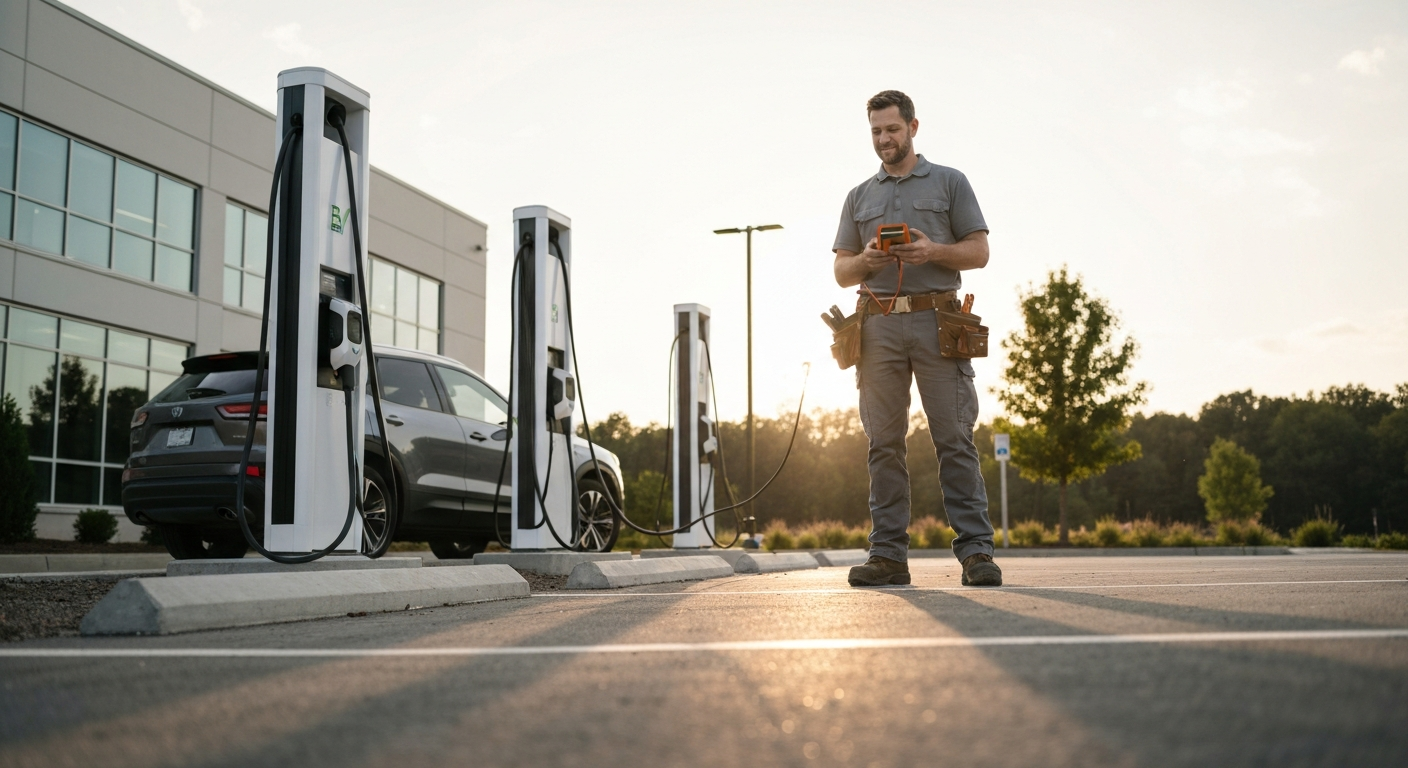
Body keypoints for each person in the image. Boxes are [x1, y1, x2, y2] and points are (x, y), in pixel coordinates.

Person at [831, 90, 1002, 588]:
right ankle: (887, 556)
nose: (884, 139)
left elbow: (979, 252)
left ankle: (976, 552)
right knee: (883, 443)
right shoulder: (858, 195)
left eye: (892, 129)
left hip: (938, 322)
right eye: (876, 131)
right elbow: (841, 272)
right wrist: (866, 262)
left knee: (954, 438)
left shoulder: (950, 181)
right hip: (877, 326)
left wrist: (934, 252)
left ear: (913, 127)